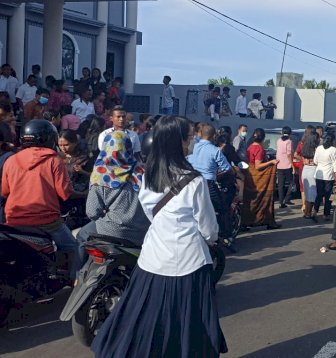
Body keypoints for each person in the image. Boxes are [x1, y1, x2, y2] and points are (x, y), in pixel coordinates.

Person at [91, 115, 227, 357]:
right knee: (189, 322)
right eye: (189, 137)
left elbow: (150, 212)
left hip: (153, 257)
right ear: (179, 143)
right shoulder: (195, 181)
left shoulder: (148, 175)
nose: (193, 140)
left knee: (146, 317)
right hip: (189, 261)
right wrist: (212, 239)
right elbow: (208, 226)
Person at [1, 120, 79, 279]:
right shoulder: (54, 160)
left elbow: (5, 191)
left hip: (14, 221)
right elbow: (65, 193)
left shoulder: (11, 160)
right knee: (73, 247)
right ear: (50, 139)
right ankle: (72, 283)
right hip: (47, 222)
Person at [75, 131, 150, 265]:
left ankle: (76, 277)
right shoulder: (142, 172)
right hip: (140, 233)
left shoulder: (101, 174)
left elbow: (92, 212)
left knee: (82, 235)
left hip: (111, 231)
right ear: (129, 147)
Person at [187, 124, 236, 251]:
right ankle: (226, 238)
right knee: (223, 209)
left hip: (190, 183)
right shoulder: (215, 151)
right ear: (214, 136)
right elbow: (227, 168)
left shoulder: (193, 147)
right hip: (208, 185)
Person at [244, 128, 281, 230]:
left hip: (250, 175)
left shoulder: (250, 146)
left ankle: (247, 221)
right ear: (263, 138)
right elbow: (258, 166)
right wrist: (271, 162)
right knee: (265, 199)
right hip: (259, 177)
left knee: (250, 200)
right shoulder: (259, 149)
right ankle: (267, 221)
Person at [314, 133, 336, 220]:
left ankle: (315, 211)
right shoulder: (334, 150)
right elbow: (335, 165)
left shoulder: (319, 148)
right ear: (332, 140)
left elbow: (315, 161)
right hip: (329, 175)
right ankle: (326, 214)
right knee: (328, 196)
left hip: (318, 174)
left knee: (319, 194)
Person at [300, 132, 320, 221]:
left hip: (305, 170)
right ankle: (309, 212)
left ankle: (306, 212)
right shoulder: (316, 149)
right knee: (312, 193)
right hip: (313, 170)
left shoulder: (305, 147)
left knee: (307, 192)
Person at [276, 126, 295, 208]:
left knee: (280, 185)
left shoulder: (279, 141)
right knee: (292, 182)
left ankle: (281, 202)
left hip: (279, 165)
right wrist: (293, 165)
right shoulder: (289, 142)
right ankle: (287, 198)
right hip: (287, 165)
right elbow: (288, 155)